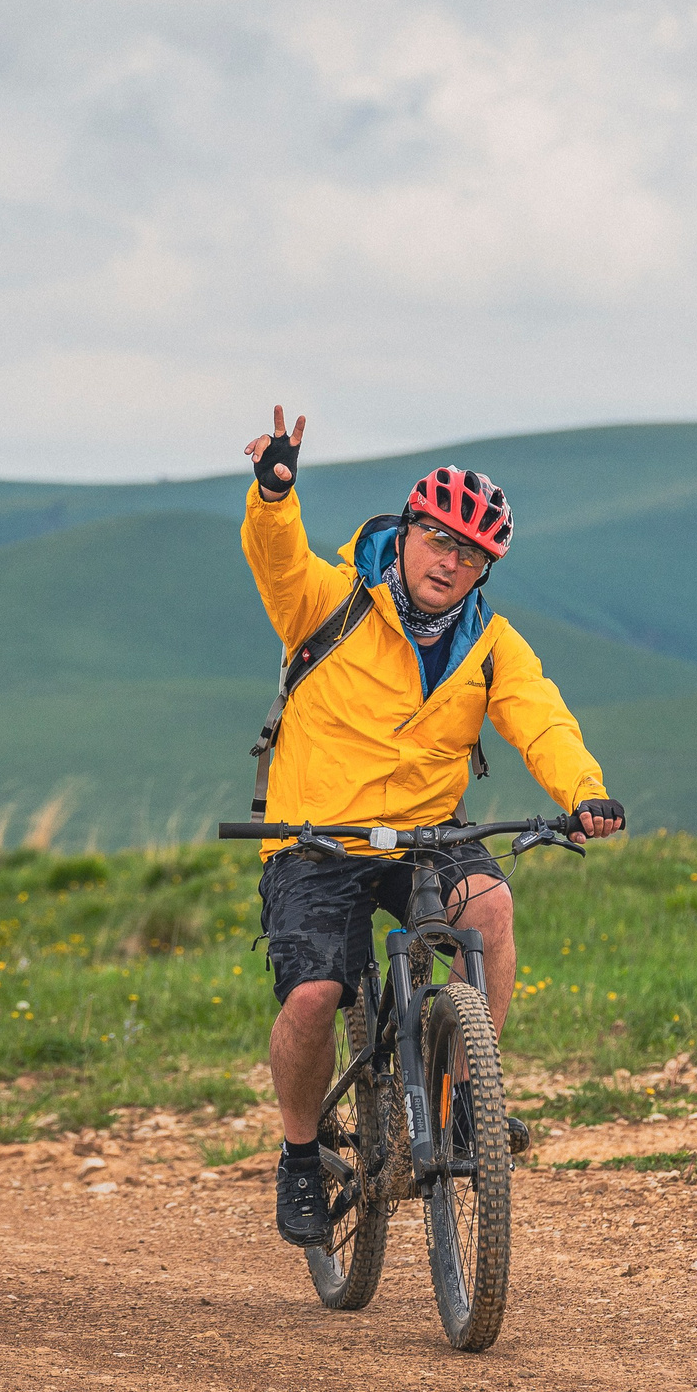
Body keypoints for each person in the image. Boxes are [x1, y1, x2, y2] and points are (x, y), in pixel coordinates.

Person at [239, 404, 627, 1248]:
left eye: (471, 551)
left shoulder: (489, 643)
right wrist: (274, 493)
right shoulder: (330, 600)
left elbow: (541, 720)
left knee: (489, 910)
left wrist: (584, 788)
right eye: (438, 539)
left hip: (424, 828)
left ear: (486, 565)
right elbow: (276, 563)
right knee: (314, 993)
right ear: (407, 531)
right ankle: (301, 1155)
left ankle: (462, 1110)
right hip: (317, 835)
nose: (450, 560)